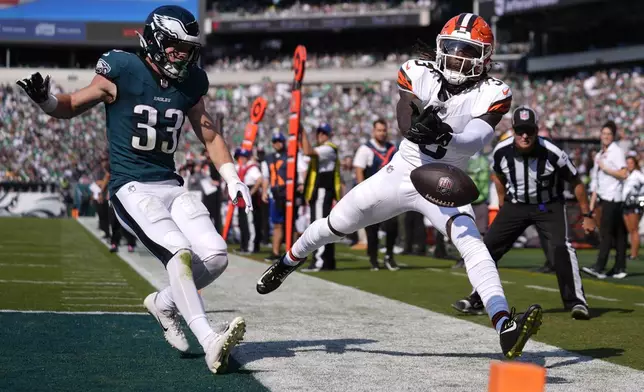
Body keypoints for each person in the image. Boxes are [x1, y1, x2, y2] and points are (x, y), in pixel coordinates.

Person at [257, 13, 543, 360]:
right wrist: (413, 128)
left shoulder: (493, 92)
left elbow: (476, 138)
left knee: (472, 244)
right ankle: (289, 260)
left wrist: (447, 133)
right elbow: (404, 112)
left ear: (483, 57)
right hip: (402, 171)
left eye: (466, 50)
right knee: (337, 223)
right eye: (451, 48)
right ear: (440, 48)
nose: (456, 56)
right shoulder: (418, 71)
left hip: (444, 179)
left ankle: (503, 325)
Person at [17, 5, 248, 374]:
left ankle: (163, 303)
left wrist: (233, 177)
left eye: (188, 48)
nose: (183, 54)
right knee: (179, 252)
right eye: (176, 46)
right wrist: (46, 99)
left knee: (217, 254)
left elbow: (210, 133)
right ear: (156, 40)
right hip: (132, 186)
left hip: (170, 184)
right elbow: (73, 104)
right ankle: (208, 339)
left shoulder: (191, 82)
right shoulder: (121, 68)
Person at [451, 106, 595, 320]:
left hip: (548, 205)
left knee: (560, 248)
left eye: (529, 130)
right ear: (514, 130)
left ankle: (577, 302)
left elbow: (576, 182)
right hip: (516, 205)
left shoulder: (553, 153)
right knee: (487, 248)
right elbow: (497, 176)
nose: (525, 136)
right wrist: (503, 204)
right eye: (520, 131)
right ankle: (477, 299)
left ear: (536, 130)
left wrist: (587, 215)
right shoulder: (501, 151)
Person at [583, 121, 628, 279]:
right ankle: (619, 267)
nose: (606, 137)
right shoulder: (601, 154)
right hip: (604, 197)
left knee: (606, 232)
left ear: (613, 136)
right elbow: (595, 182)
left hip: (613, 197)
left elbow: (623, 174)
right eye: (604, 134)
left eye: (609, 134)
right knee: (619, 234)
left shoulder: (616, 151)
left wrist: (606, 169)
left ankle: (600, 267)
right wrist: (591, 205)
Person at [353, 118, 399, 271]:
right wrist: (362, 192)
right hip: (371, 195)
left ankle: (389, 256)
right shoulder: (365, 149)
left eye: (384, 130)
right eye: (379, 130)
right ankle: (373, 259)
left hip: (389, 195)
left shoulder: (392, 149)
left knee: (392, 226)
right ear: (374, 131)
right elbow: (359, 170)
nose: (382, 133)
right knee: (372, 230)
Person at [300, 123, 341, 272]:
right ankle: (327, 261)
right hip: (321, 191)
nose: (321, 136)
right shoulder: (326, 149)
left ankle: (320, 262)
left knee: (318, 227)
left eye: (324, 133)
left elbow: (307, 151)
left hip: (323, 191)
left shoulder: (328, 148)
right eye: (319, 133)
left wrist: (301, 131)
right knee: (321, 226)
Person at [262, 133, 289, 262]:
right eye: (275, 141)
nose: (278, 143)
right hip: (275, 194)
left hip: (289, 194)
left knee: (291, 224)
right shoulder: (268, 158)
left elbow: (301, 172)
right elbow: (266, 177)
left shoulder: (291, 155)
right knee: (277, 224)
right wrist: (264, 191)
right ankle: (275, 252)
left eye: (280, 141)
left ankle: (293, 252)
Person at [234, 148, 263, 254]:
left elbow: (260, 179)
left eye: (243, 157)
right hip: (241, 196)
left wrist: (251, 192)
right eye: (239, 157)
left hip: (249, 196)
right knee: (242, 222)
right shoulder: (239, 167)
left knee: (250, 222)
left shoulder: (252, 168)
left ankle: (251, 247)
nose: (241, 159)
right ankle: (244, 245)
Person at [622, 155, 644, 261]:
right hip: (625, 204)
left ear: (634, 164)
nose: (629, 165)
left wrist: (640, 194)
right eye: (627, 163)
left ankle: (634, 254)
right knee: (630, 230)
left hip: (634, 204)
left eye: (631, 163)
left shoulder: (637, 174)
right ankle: (632, 252)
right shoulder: (625, 174)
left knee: (634, 230)